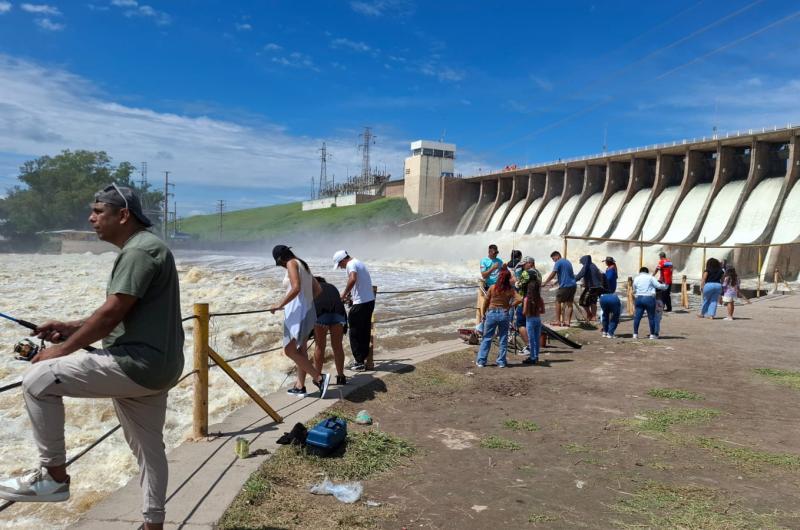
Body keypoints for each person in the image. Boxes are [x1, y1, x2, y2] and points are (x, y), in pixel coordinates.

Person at [0, 185, 183, 529]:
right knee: (149, 449)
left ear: (123, 215)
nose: (91, 218)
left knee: (38, 378)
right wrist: (70, 327)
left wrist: (58, 350)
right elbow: (121, 310)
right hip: (160, 367)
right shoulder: (150, 248)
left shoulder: (138, 251)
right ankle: (153, 523)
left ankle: (53, 476)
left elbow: (112, 314)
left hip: (135, 364)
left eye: (98, 211)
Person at [271, 245, 330, 398]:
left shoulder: (291, 263)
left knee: (289, 351)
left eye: (279, 263)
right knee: (301, 350)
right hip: (307, 312)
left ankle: (319, 378)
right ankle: (300, 386)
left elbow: (296, 287)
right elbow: (318, 290)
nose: (282, 266)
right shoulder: (303, 265)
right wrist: (306, 303)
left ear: (281, 258)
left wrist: (280, 304)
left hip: (297, 314)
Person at [333, 250, 375, 372]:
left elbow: (352, 279)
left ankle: (359, 362)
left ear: (343, 260)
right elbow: (360, 285)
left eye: (340, 265)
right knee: (365, 330)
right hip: (369, 301)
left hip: (361, 303)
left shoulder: (350, 264)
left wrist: (343, 294)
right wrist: (351, 297)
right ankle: (363, 358)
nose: (341, 268)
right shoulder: (359, 262)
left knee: (355, 333)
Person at [476, 267, 521, 368]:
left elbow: (486, 302)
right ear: (508, 279)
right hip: (504, 314)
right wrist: (510, 306)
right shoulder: (510, 290)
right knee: (503, 338)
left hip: (492, 313)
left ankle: (481, 361)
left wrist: (483, 313)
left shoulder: (492, 287)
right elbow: (520, 299)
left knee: (487, 338)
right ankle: (501, 361)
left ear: (499, 277)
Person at [313, 276, 348, 385]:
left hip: (321, 315)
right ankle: (341, 376)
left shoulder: (313, 288)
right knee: (337, 346)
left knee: (319, 346)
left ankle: (318, 378)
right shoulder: (332, 287)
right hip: (338, 314)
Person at [512, 256, 540, 356]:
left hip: (525, 301)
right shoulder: (538, 273)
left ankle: (529, 346)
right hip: (536, 302)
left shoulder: (527, 273)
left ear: (530, 263)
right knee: (533, 325)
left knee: (520, 324)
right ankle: (534, 349)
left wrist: (515, 281)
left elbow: (518, 285)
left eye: (524, 264)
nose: (523, 267)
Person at [542, 251, 577, 327]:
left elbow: (553, 273)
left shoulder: (558, 262)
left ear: (557, 256)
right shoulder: (567, 262)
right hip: (573, 285)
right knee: (570, 304)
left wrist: (545, 282)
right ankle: (567, 322)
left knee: (558, 301)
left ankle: (558, 321)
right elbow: (567, 274)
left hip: (565, 286)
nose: (553, 260)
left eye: (553, 258)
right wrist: (556, 282)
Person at [632, 266, 666, 339]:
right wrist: (665, 286)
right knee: (651, 318)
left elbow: (634, 289)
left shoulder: (636, 278)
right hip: (649, 298)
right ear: (647, 272)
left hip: (639, 298)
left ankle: (635, 334)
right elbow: (658, 286)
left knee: (637, 317)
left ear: (640, 272)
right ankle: (652, 335)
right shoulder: (651, 277)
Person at [476, 244, 503, 329]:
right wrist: (492, 268)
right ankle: (483, 326)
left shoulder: (499, 261)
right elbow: (484, 275)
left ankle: (497, 325)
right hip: (489, 287)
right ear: (489, 252)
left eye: (497, 253)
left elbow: (503, 273)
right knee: (488, 307)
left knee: (499, 307)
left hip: (499, 287)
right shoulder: (484, 261)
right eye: (494, 253)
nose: (496, 255)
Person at [522, 276, 545, 365]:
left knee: (531, 339)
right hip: (538, 319)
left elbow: (524, 312)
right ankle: (536, 356)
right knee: (536, 338)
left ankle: (532, 357)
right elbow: (542, 311)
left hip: (530, 320)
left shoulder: (526, 299)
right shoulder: (540, 299)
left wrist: (528, 311)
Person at [575, 255, 604, 322]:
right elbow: (599, 275)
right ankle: (593, 316)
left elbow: (580, 275)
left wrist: (573, 280)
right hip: (597, 286)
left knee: (582, 301)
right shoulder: (593, 265)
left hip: (591, 287)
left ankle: (589, 314)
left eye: (582, 263)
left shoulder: (586, 266)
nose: (582, 264)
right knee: (593, 302)